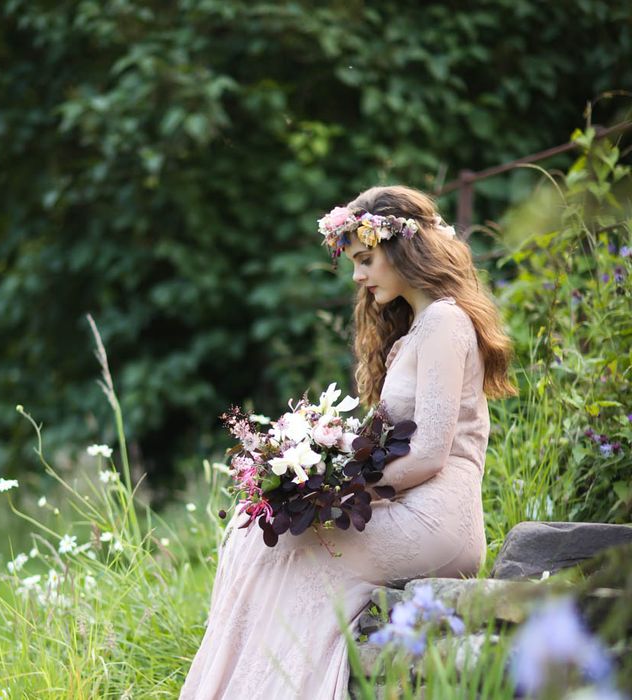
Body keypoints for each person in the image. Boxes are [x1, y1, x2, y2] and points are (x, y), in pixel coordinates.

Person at [180, 185, 517, 699]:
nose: (358, 276)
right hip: (406, 507)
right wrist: (312, 476)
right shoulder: (416, 333)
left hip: (437, 520)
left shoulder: (446, 323)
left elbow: (429, 454)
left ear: (402, 248)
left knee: (279, 548)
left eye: (365, 260)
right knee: (254, 534)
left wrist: (338, 487)